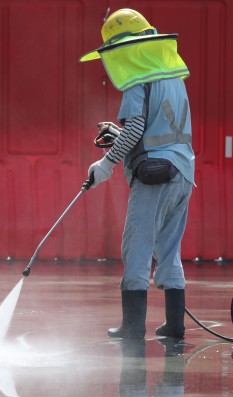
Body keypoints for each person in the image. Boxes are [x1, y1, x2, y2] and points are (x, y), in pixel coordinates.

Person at [80, 8, 195, 341]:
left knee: (137, 247)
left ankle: (132, 328)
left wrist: (106, 164)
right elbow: (157, 128)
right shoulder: (168, 73)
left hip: (155, 176)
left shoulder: (137, 75)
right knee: (169, 249)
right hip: (183, 172)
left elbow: (136, 130)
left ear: (122, 47)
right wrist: (121, 135)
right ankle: (175, 326)